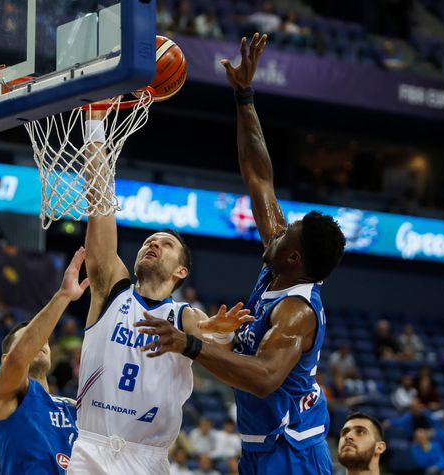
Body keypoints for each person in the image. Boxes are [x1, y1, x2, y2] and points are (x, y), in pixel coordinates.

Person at [136, 33, 346, 475]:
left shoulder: (296, 312)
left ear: (295, 260)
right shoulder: (282, 261)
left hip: (292, 451)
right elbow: (259, 177)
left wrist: (191, 344)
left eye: (284, 237)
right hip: (263, 446)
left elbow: (266, 378)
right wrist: (245, 97)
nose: (274, 232)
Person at [67, 107, 252, 475]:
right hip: (90, 450)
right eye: (149, 241)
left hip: (148, 460)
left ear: (181, 270)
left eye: (165, 244)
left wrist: (221, 335)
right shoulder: (110, 290)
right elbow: (100, 204)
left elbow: (224, 354)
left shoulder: (185, 317)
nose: (153, 244)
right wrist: (95, 127)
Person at [0, 248, 90, 474]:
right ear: (4, 359)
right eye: (30, 339)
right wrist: (64, 296)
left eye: (45, 341)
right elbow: (18, 360)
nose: (41, 343)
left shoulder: (70, 406)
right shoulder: (6, 393)